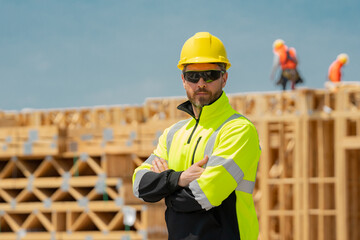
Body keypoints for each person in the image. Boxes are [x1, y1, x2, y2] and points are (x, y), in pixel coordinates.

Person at [132, 32, 261, 240]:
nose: (201, 82)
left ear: (224, 78)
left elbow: (204, 196)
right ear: (183, 80)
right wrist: (179, 178)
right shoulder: (173, 134)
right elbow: (139, 185)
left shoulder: (238, 130)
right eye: (193, 76)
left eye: (210, 75)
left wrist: (164, 188)